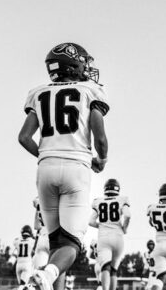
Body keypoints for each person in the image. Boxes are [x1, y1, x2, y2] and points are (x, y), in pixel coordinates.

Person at [18, 43, 110, 290]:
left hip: (45, 169)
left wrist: (47, 155)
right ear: (75, 65)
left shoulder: (39, 93)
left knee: (57, 244)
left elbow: (24, 137)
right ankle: (43, 278)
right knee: (71, 245)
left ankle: (46, 281)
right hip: (76, 168)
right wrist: (101, 159)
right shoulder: (90, 90)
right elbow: (100, 137)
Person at [89, 179, 131, 290]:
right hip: (118, 237)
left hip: (104, 237)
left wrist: (102, 225)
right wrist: (124, 228)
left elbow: (91, 222)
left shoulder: (98, 201)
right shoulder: (122, 199)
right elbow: (127, 215)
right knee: (114, 270)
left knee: (105, 267)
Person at [33, 197, 51, 270]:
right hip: (57, 235)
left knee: (39, 273)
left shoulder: (39, 199)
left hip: (44, 234)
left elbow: (37, 226)